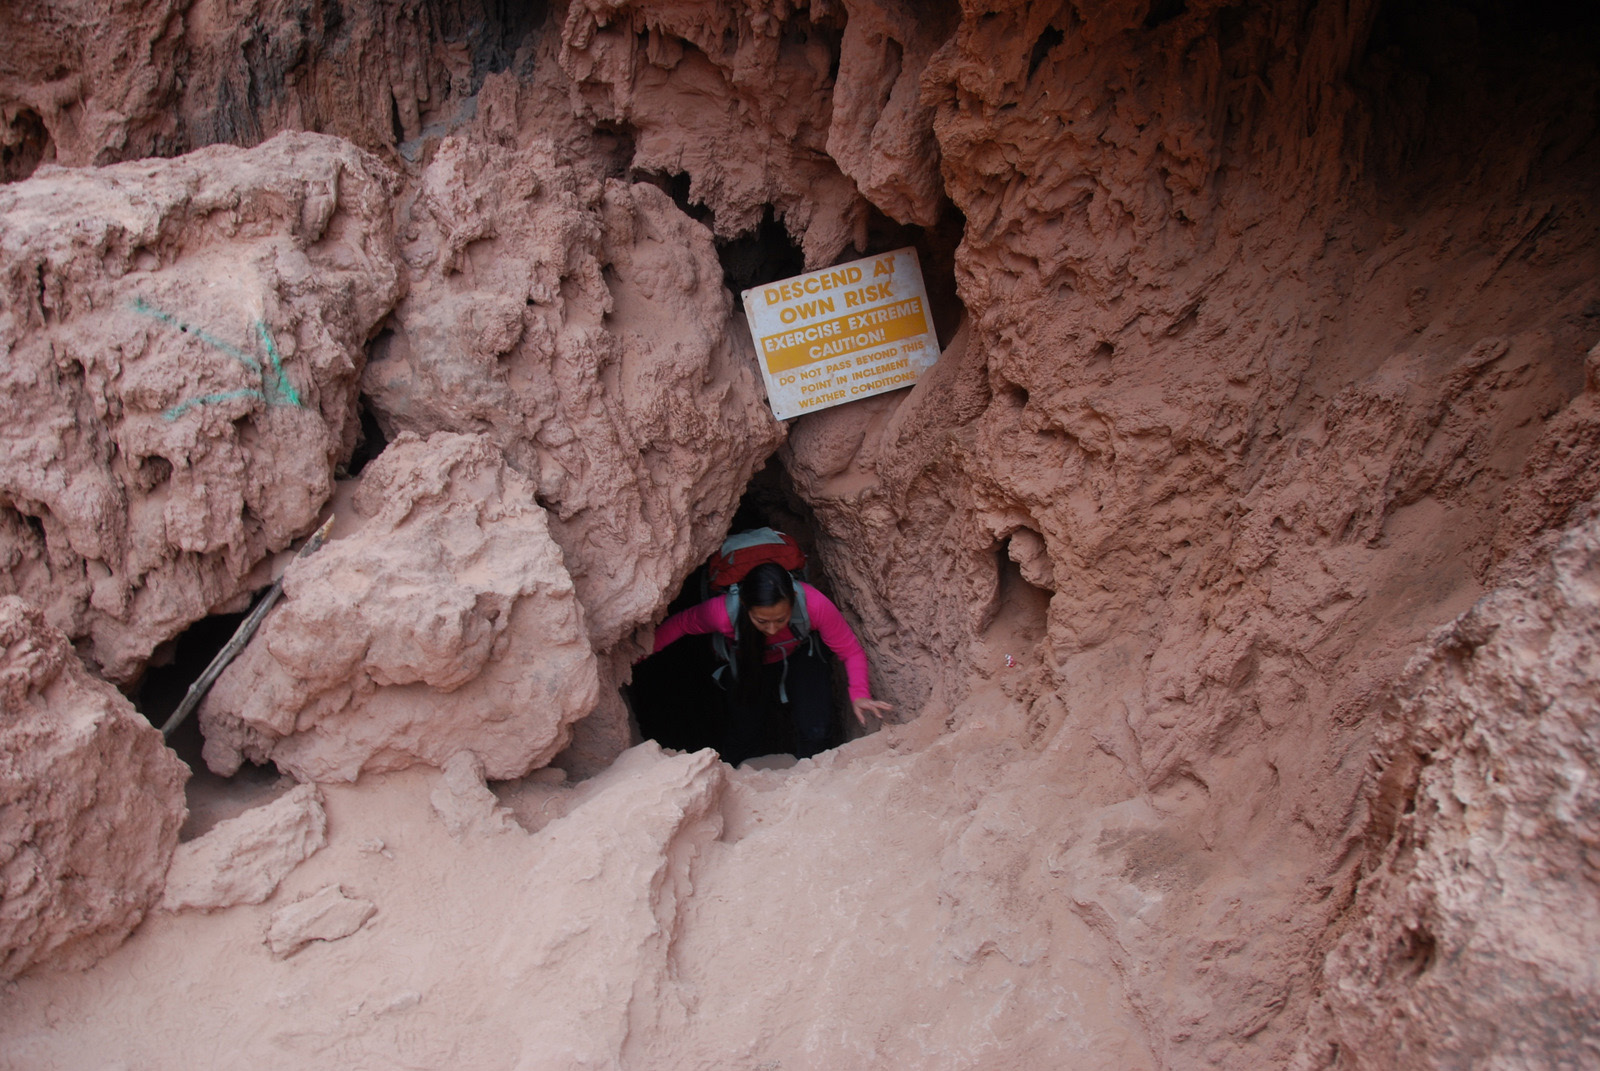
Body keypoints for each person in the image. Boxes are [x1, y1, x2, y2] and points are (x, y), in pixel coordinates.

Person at [650, 562, 892, 765]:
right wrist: (640, 652)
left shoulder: (813, 605)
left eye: (781, 619)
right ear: (744, 604)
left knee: (816, 728)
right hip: (748, 658)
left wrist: (860, 694)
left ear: (793, 600)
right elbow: (681, 624)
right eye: (762, 621)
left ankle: (815, 776)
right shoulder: (722, 613)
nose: (773, 629)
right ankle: (734, 777)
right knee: (744, 731)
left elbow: (850, 651)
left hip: (797, 654)